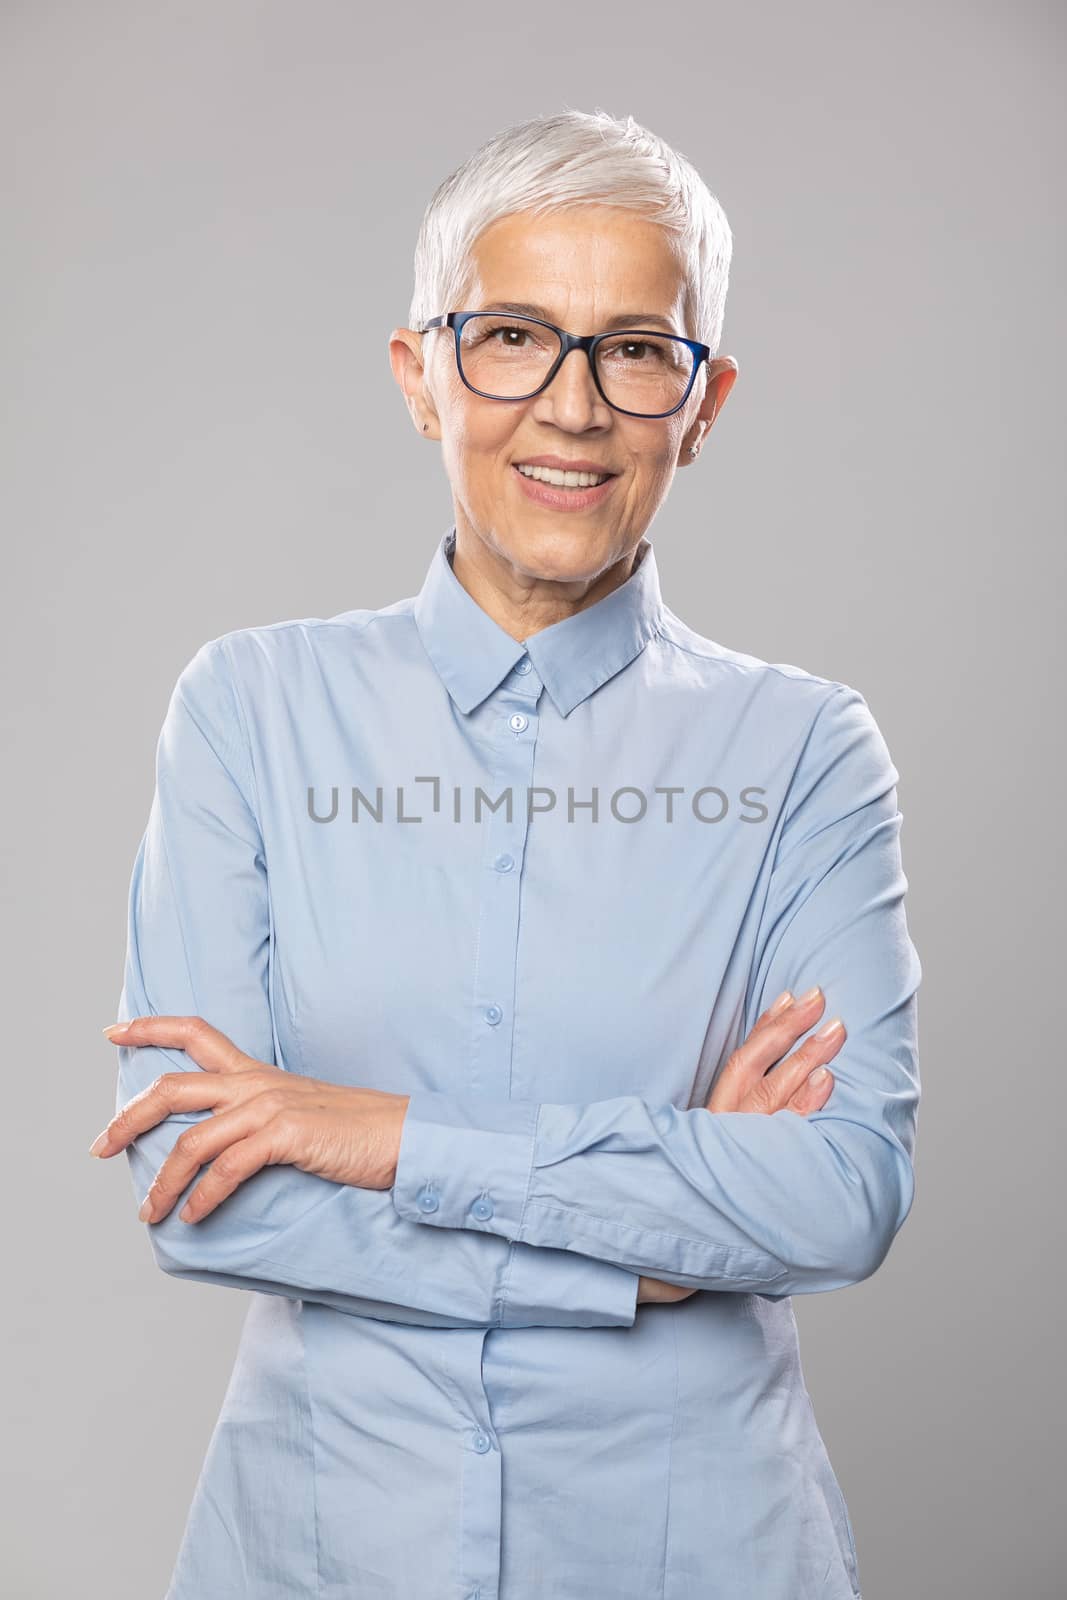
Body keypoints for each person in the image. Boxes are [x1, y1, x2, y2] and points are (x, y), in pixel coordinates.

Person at [92, 108, 921, 1599]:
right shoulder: (249, 710)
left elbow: (839, 1192)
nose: (574, 406)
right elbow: (194, 1177)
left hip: (699, 1550)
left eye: (635, 350)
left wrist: (390, 1138)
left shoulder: (804, 751)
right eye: (515, 337)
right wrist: (650, 1253)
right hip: (320, 1544)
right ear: (421, 375)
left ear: (705, 401)